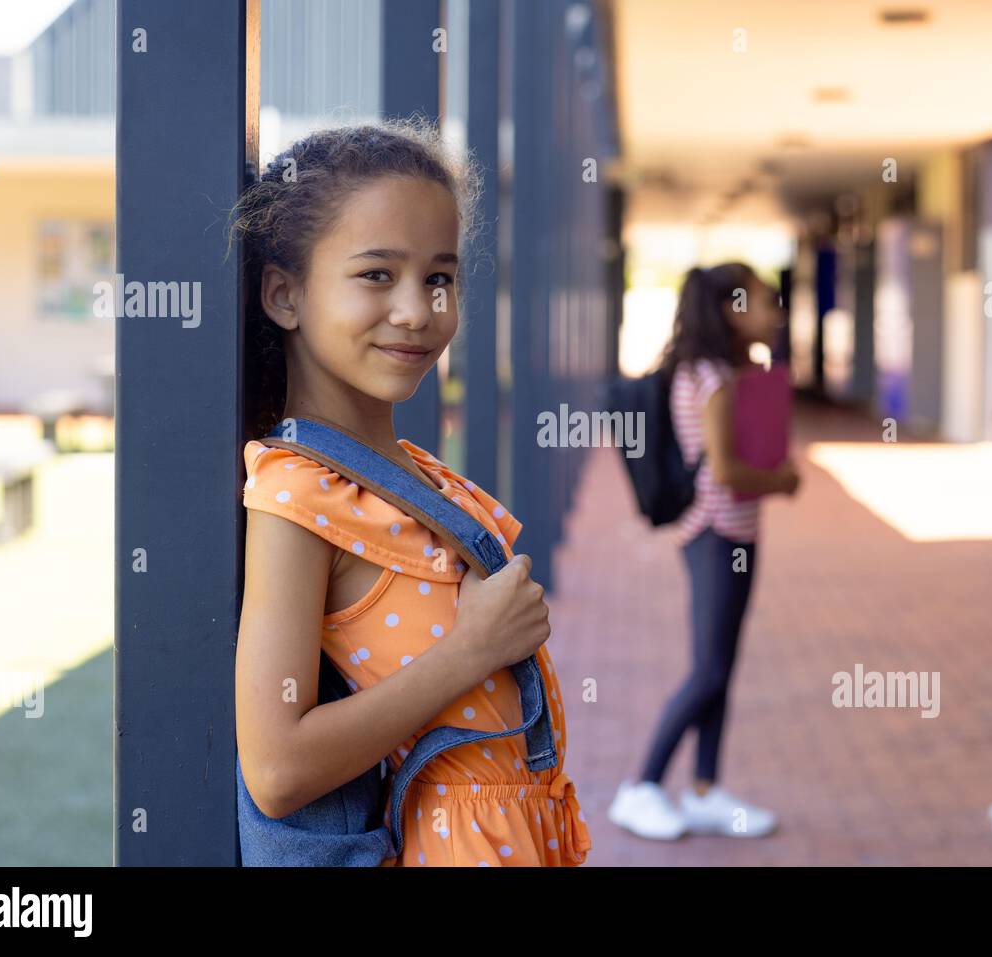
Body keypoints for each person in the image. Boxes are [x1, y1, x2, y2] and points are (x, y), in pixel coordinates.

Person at [232, 120, 591, 866]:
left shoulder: (410, 473)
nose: (418, 310)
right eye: (376, 275)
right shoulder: (298, 495)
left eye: (439, 277)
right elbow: (277, 768)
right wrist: (471, 650)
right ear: (285, 295)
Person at [608, 263, 799, 840]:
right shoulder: (716, 378)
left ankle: (705, 789)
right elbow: (728, 470)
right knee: (710, 669)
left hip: (729, 533)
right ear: (732, 310)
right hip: (718, 532)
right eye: (767, 302)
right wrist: (784, 482)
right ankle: (640, 788)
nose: (776, 313)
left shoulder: (716, 371)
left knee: (721, 667)